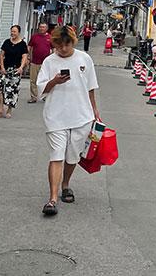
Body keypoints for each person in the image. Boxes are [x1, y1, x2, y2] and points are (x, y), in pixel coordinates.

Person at [36, 25, 100, 217]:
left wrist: (95, 110)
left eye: (67, 44)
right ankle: (52, 199)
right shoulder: (49, 61)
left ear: (73, 42)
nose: (63, 49)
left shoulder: (84, 59)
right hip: (55, 116)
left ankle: (66, 184)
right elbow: (41, 90)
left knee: (73, 156)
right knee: (56, 155)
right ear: (54, 43)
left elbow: (90, 87)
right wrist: (55, 81)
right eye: (59, 45)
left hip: (82, 116)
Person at [0, 25, 29, 118]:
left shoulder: (22, 44)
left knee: (12, 90)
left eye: (14, 32)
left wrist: (21, 67)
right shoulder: (6, 42)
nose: (12, 33)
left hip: (15, 70)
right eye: (12, 31)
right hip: (4, 68)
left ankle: (9, 110)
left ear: (18, 33)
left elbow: (24, 57)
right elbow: (1, 55)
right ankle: (0, 109)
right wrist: (2, 67)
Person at [27, 22, 52, 104]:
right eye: (41, 27)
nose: (42, 28)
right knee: (33, 80)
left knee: (45, 80)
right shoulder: (34, 37)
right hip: (34, 62)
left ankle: (44, 96)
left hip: (45, 64)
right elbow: (29, 47)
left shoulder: (50, 37)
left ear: (47, 28)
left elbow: (54, 49)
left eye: (44, 27)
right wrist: (28, 57)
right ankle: (33, 97)